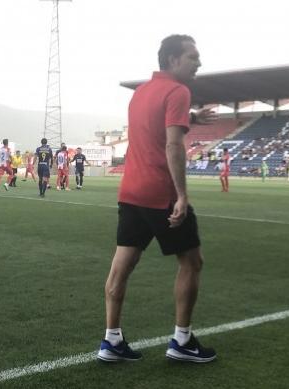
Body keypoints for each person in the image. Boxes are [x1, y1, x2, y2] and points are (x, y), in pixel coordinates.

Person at [98, 34, 215, 363]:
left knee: (121, 268)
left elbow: (152, 126)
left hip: (130, 191)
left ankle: (111, 341)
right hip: (160, 193)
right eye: (193, 57)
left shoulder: (140, 93)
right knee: (192, 263)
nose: (199, 63)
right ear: (173, 60)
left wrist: (191, 118)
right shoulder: (179, 90)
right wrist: (181, 195)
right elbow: (172, 145)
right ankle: (181, 341)